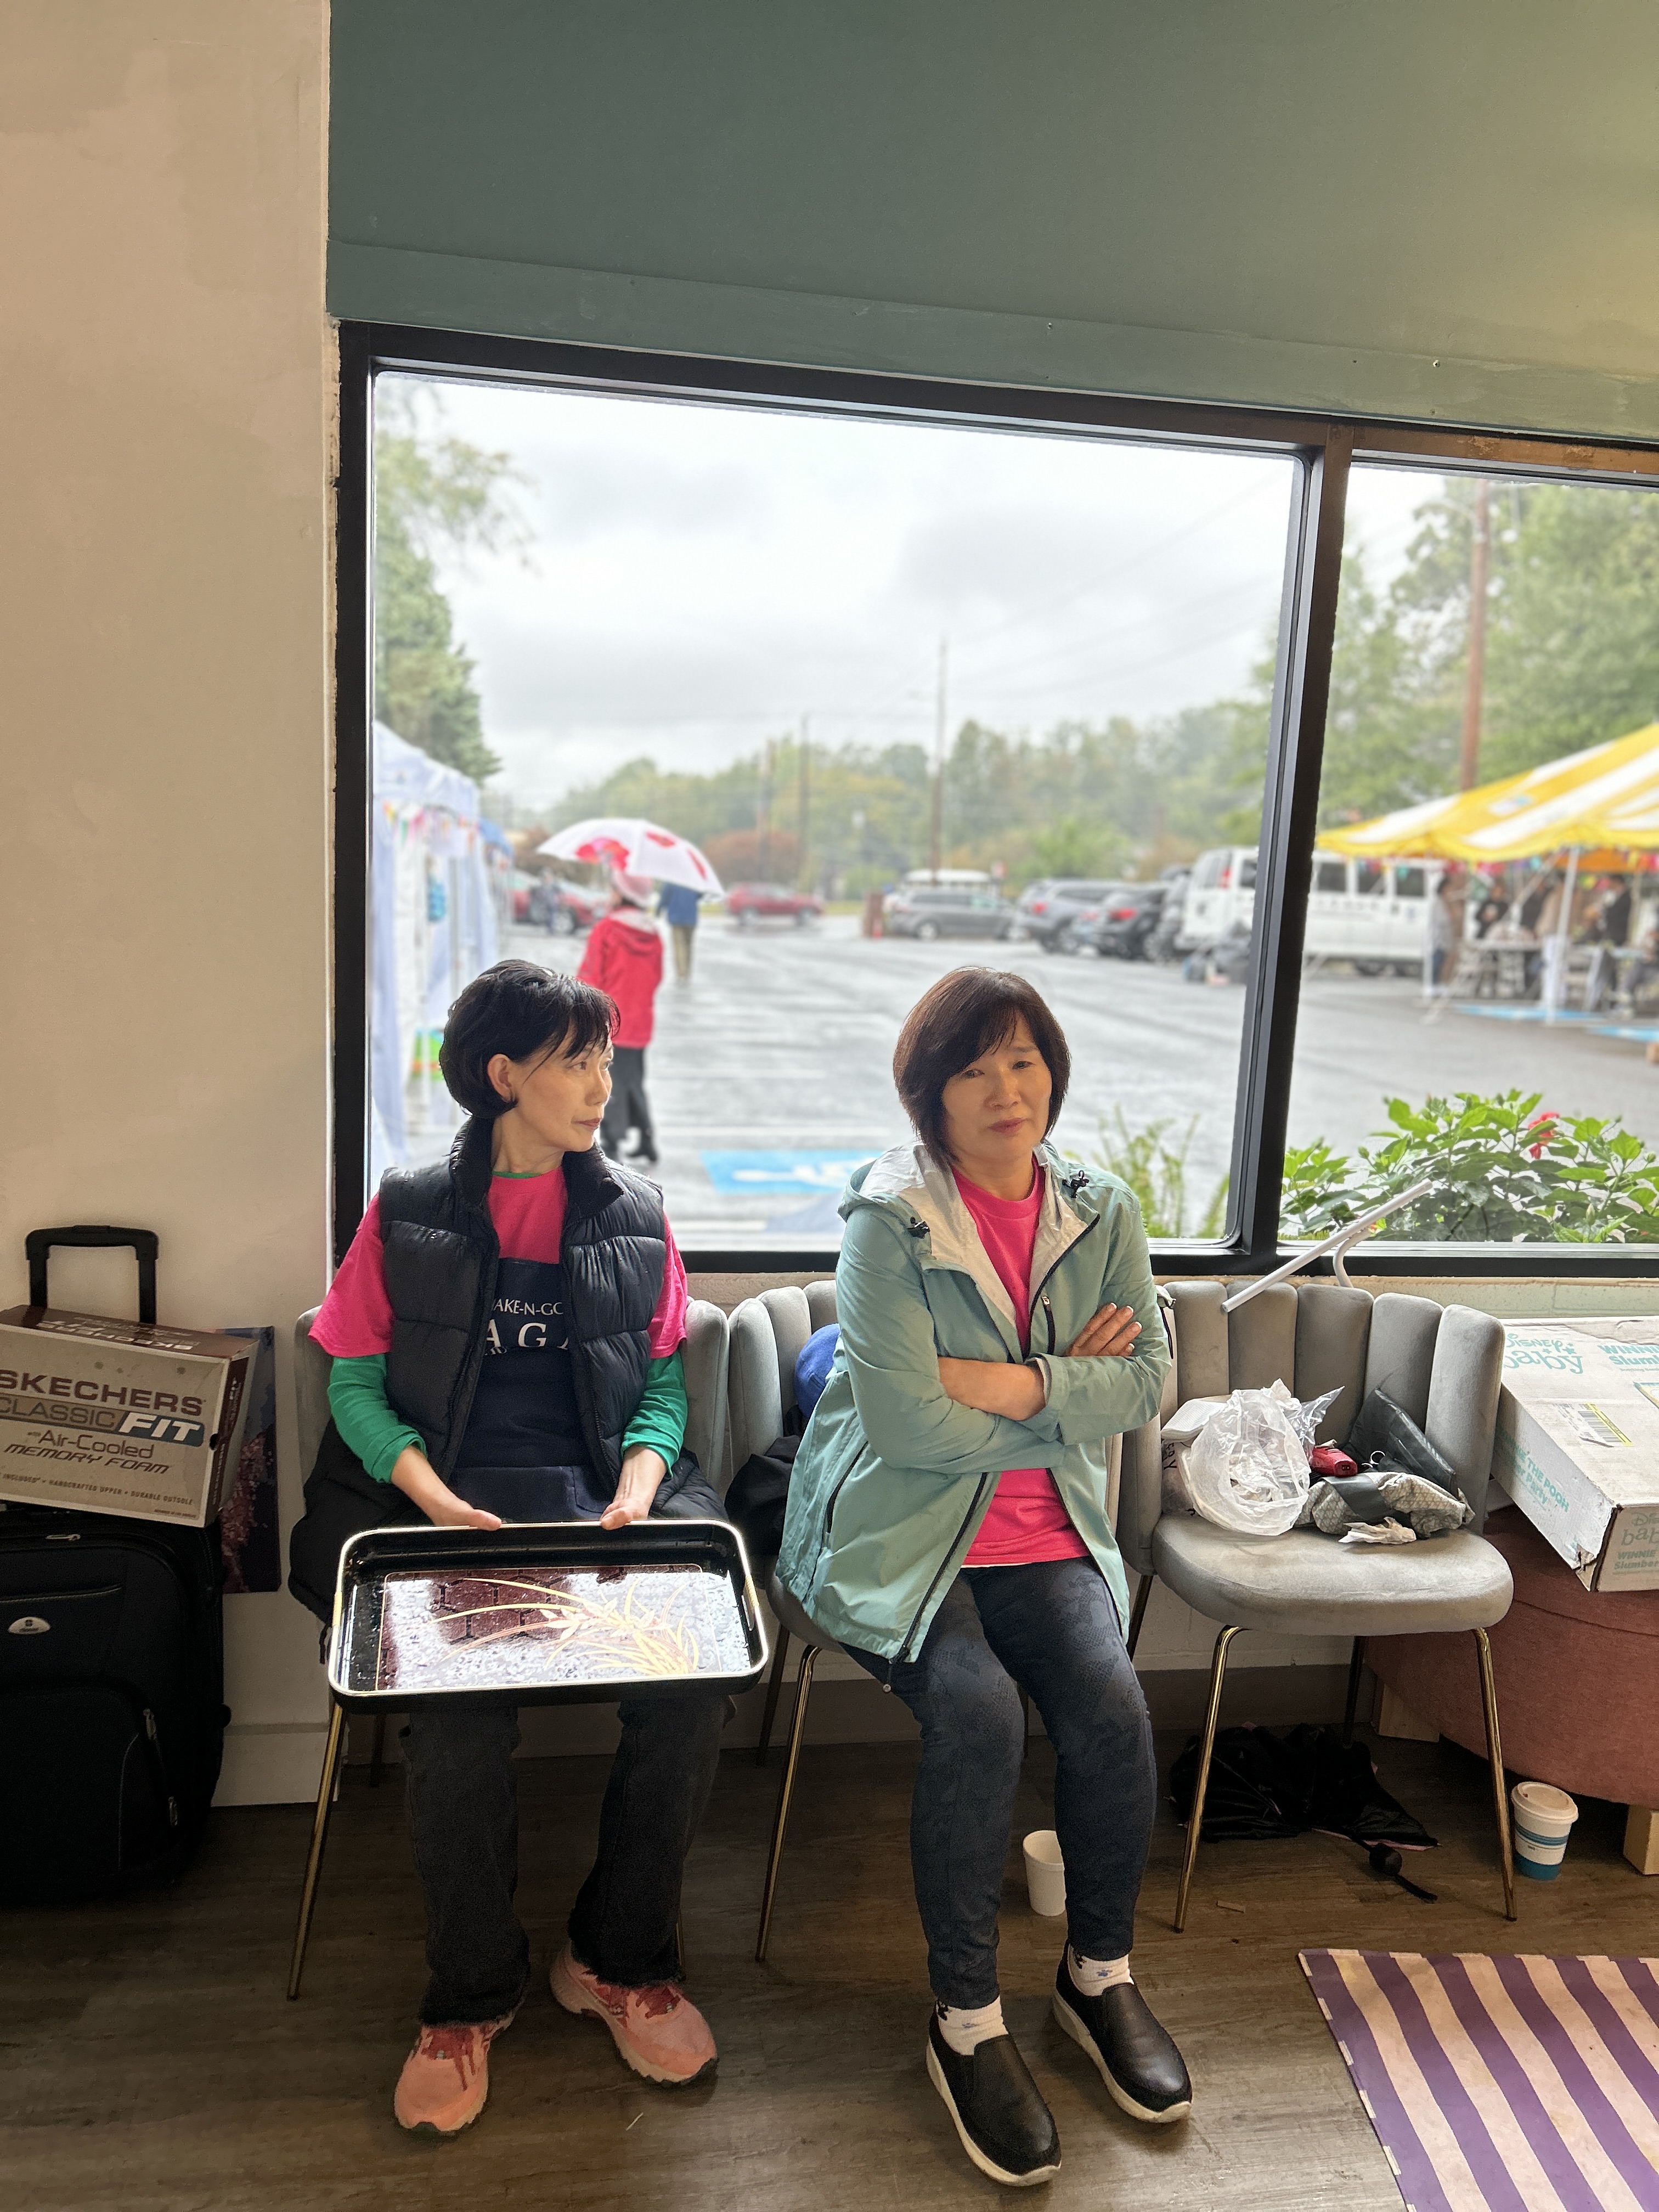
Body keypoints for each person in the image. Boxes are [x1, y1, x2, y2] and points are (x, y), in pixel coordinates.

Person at [290, 961, 727, 2134]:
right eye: (577, 1062)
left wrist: (638, 1483)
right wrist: (428, 1493)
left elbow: (661, 1389)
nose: (601, 1085)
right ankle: (472, 1992)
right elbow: (355, 1381)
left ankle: (617, 1960)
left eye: (604, 1060)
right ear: (502, 1075)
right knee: (456, 1724)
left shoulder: (635, 1214)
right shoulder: (406, 1207)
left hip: (596, 1502)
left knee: (690, 1693)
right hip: (447, 1505)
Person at [777, 968, 1185, 2190]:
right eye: (973, 1068)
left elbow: (1144, 1383)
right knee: (978, 1710)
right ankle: (964, 2019)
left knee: (1111, 1706)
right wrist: (1062, 1396)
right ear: (929, 1094)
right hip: (901, 1536)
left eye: (1024, 1059)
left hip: (1043, 1532)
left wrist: (1000, 1383)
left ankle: (1097, 1976)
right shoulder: (889, 1223)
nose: (1007, 1090)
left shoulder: (1099, 1209)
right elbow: (902, 1428)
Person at [578, 868, 664, 1164]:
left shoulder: (607, 929)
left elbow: (590, 976)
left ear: (622, 893)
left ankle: (613, 1142)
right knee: (634, 1079)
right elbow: (657, 977)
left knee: (608, 1079)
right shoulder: (653, 933)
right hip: (641, 1020)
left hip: (610, 1019)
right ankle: (646, 1139)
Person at [658, 878, 702, 981]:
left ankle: (681, 973)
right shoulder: (693, 880)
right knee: (688, 945)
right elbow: (700, 895)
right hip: (691, 917)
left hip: (676, 917)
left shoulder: (672, 881)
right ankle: (687, 972)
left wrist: (659, 910)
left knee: (679, 946)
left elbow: (665, 897)